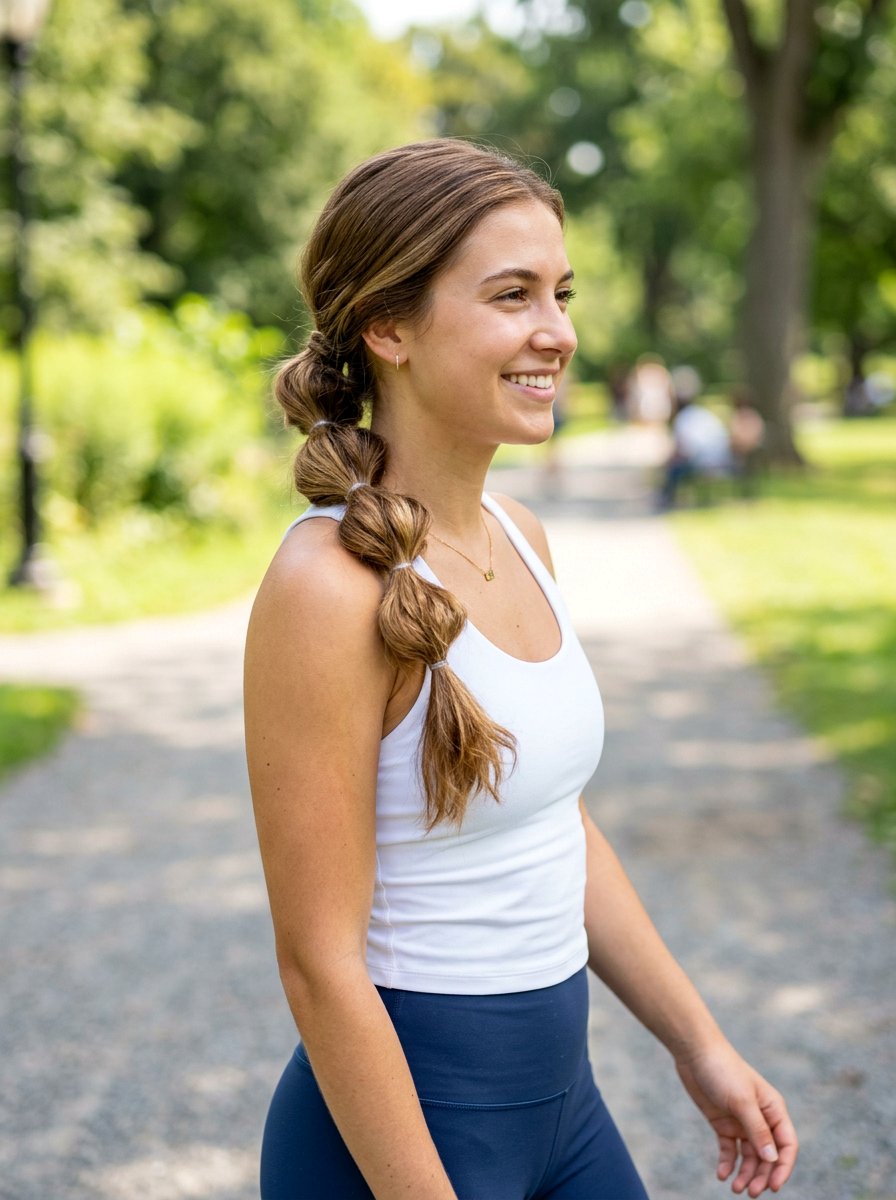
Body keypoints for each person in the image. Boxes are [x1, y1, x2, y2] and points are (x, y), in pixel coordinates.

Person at [243, 139, 798, 1200]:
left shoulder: (520, 533)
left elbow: (554, 825)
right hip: (402, 1145)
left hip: (565, 1112)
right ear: (389, 326)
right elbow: (318, 965)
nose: (559, 332)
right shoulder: (326, 588)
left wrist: (699, 1044)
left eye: (560, 291)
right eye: (511, 295)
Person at [657, 375, 733, 510]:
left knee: (674, 468)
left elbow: (686, 450)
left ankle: (666, 499)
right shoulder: (702, 414)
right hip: (722, 458)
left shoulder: (684, 419)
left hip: (704, 462)